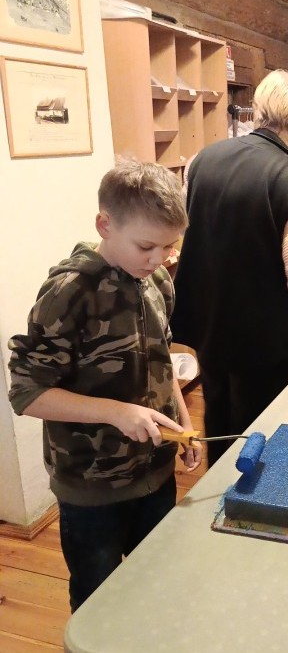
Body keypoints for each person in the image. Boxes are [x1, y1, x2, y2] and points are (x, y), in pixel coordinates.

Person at [7, 158, 200, 613]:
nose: (159, 259)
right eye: (146, 246)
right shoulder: (71, 291)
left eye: (169, 246)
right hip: (91, 488)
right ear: (105, 225)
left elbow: (162, 361)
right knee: (98, 599)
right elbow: (27, 393)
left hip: (154, 474)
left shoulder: (156, 280)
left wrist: (183, 425)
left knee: (156, 586)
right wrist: (116, 412)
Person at [170, 69, 288, 466]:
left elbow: (189, 228)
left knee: (217, 417)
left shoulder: (202, 161)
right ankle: (243, 496)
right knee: (255, 431)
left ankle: (216, 487)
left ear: (258, 110)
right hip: (262, 335)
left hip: (210, 320)